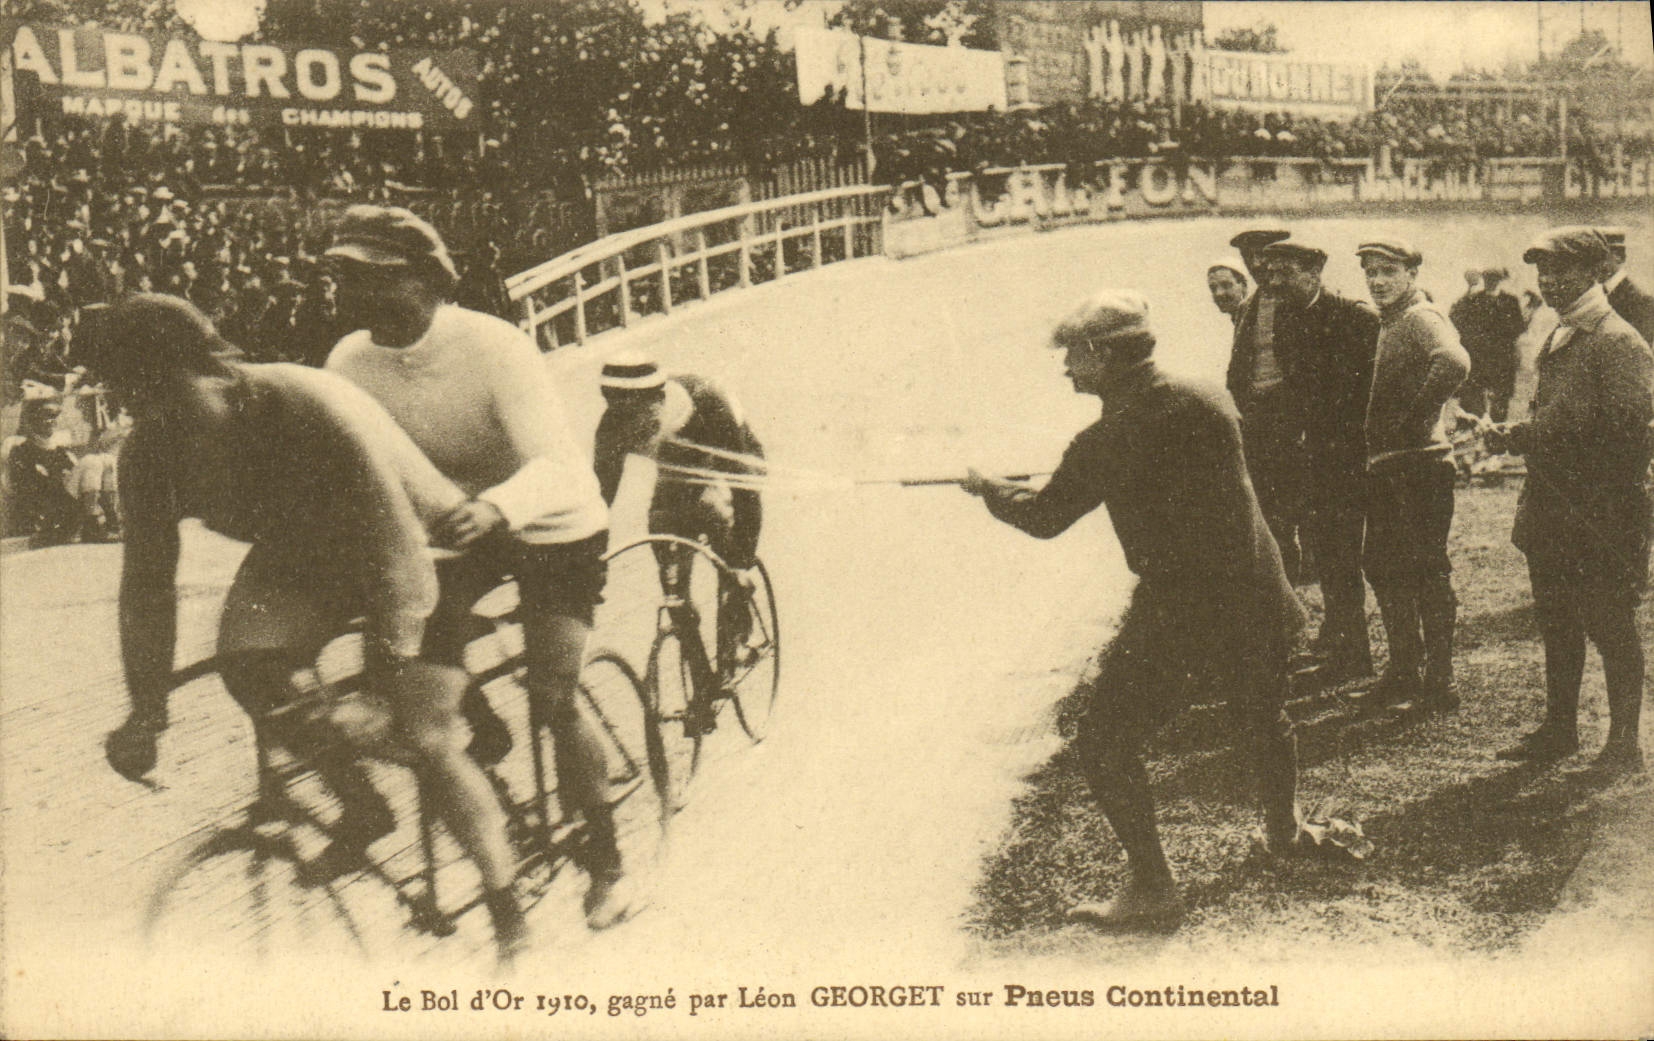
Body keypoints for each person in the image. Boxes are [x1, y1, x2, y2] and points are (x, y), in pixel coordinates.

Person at [89, 294, 539, 962]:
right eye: (132, 399)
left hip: (425, 539)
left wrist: (387, 684)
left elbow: (395, 547)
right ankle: (362, 805)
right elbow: (147, 584)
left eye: (161, 394)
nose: (148, 416)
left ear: (208, 368)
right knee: (252, 666)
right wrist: (146, 709)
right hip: (307, 551)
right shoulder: (151, 449)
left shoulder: (304, 405)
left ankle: (508, 911)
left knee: (422, 732)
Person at [321, 205, 637, 930]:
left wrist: (498, 506)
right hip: (456, 536)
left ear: (427, 280)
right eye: (345, 279)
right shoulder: (348, 364)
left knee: (554, 694)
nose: (357, 296)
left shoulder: (494, 346)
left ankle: (608, 860)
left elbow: (558, 464)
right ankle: (483, 758)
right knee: (421, 712)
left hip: (551, 524)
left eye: (375, 278)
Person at [961, 290, 1304, 930]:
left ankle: (1154, 889)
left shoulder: (1107, 437)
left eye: (1072, 355)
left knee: (1104, 742)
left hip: (1182, 611)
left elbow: (1044, 518)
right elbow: (1169, 471)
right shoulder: (1207, 397)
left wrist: (990, 491)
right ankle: (1285, 832)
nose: (1065, 367)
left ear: (1100, 354)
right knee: (1263, 714)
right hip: (1258, 592)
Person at [1489, 227, 1652, 772]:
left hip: (1598, 513)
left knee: (1609, 623)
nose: (1549, 281)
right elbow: (1560, 418)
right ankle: (1561, 728)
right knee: (1556, 621)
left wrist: (1537, 438)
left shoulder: (1618, 340)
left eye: (1561, 270)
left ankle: (1624, 743)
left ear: (1595, 272)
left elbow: (1630, 437)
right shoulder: (1563, 332)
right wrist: (1521, 435)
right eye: (1542, 272)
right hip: (1554, 509)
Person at [592, 351, 765, 710]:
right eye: (624, 422)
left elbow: (746, 490)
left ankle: (736, 625)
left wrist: (742, 561)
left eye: (643, 420)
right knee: (672, 577)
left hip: (729, 459)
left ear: (660, 399)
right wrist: (591, 562)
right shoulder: (612, 429)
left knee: (718, 516)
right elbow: (599, 501)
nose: (635, 432)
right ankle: (702, 679)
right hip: (675, 474)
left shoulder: (707, 402)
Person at [1355, 238, 1470, 714]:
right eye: (1371, 273)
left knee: (1424, 570)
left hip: (1420, 466)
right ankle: (1403, 670)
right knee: (1382, 566)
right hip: (1390, 466)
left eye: (1388, 271)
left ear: (1411, 274)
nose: (1378, 281)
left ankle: (1439, 682)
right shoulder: (1391, 320)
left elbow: (1455, 362)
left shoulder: (1421, 317)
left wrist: (1416, 417)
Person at [1262, 240, 1381, 682]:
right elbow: (1293, 386)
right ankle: (1344, 648)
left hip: (1356, 459)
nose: (1274, 282)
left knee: (1357, 557)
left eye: (1284, 273)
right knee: (1329, 554)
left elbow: (1368, 396)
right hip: (1315, 457)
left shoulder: (1355, 317)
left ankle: (1358, 656)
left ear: (1314, 273)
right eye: (1271, 273)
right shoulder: (1287, 316)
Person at [1225, 228, 1307, 584]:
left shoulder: (1299, 301)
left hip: (1292, 413)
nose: (1258, 264)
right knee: (1267, 496)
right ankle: (1284, 566)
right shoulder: (1250, 308)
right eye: (1250, 258)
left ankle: (1306, 562)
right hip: (1258, 414)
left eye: (1264, 256)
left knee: (1298, 492)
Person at [1450, 267, 1525, 422]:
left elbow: (1518, 326)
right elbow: (1458, 318)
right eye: (1488, 278)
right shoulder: (1473, 299)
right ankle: (1472, 426)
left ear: (1500, 280)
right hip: (1479, 355)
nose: (1491, 282)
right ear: (1484, 280)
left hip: (1502, 356)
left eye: (1495, 278)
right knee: (1472, 395)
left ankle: (1498, 427)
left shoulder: (1510, 301)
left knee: (1501, 397)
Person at [4, 397, 81, 545]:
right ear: (33, 419)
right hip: (42, 516)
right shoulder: (21, 452)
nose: (52, 420)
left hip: (67, 509)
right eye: (47, 415)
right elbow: (24, 490)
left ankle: (101, 522)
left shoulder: (62, 453)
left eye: (55, 416)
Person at [1596, 227, 1654, 345]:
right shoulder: (1594, 294)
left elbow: (1637, 352)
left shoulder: (1642, 301)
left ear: (1619, 256)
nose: (1591, 264)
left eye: (1598, 256)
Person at [1205, 258, 1249, 327]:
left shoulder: (1258, 318)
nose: (1219, 293)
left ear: (1243, 286)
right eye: (1213, 288)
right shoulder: (1239, 322)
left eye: (1226, 285)